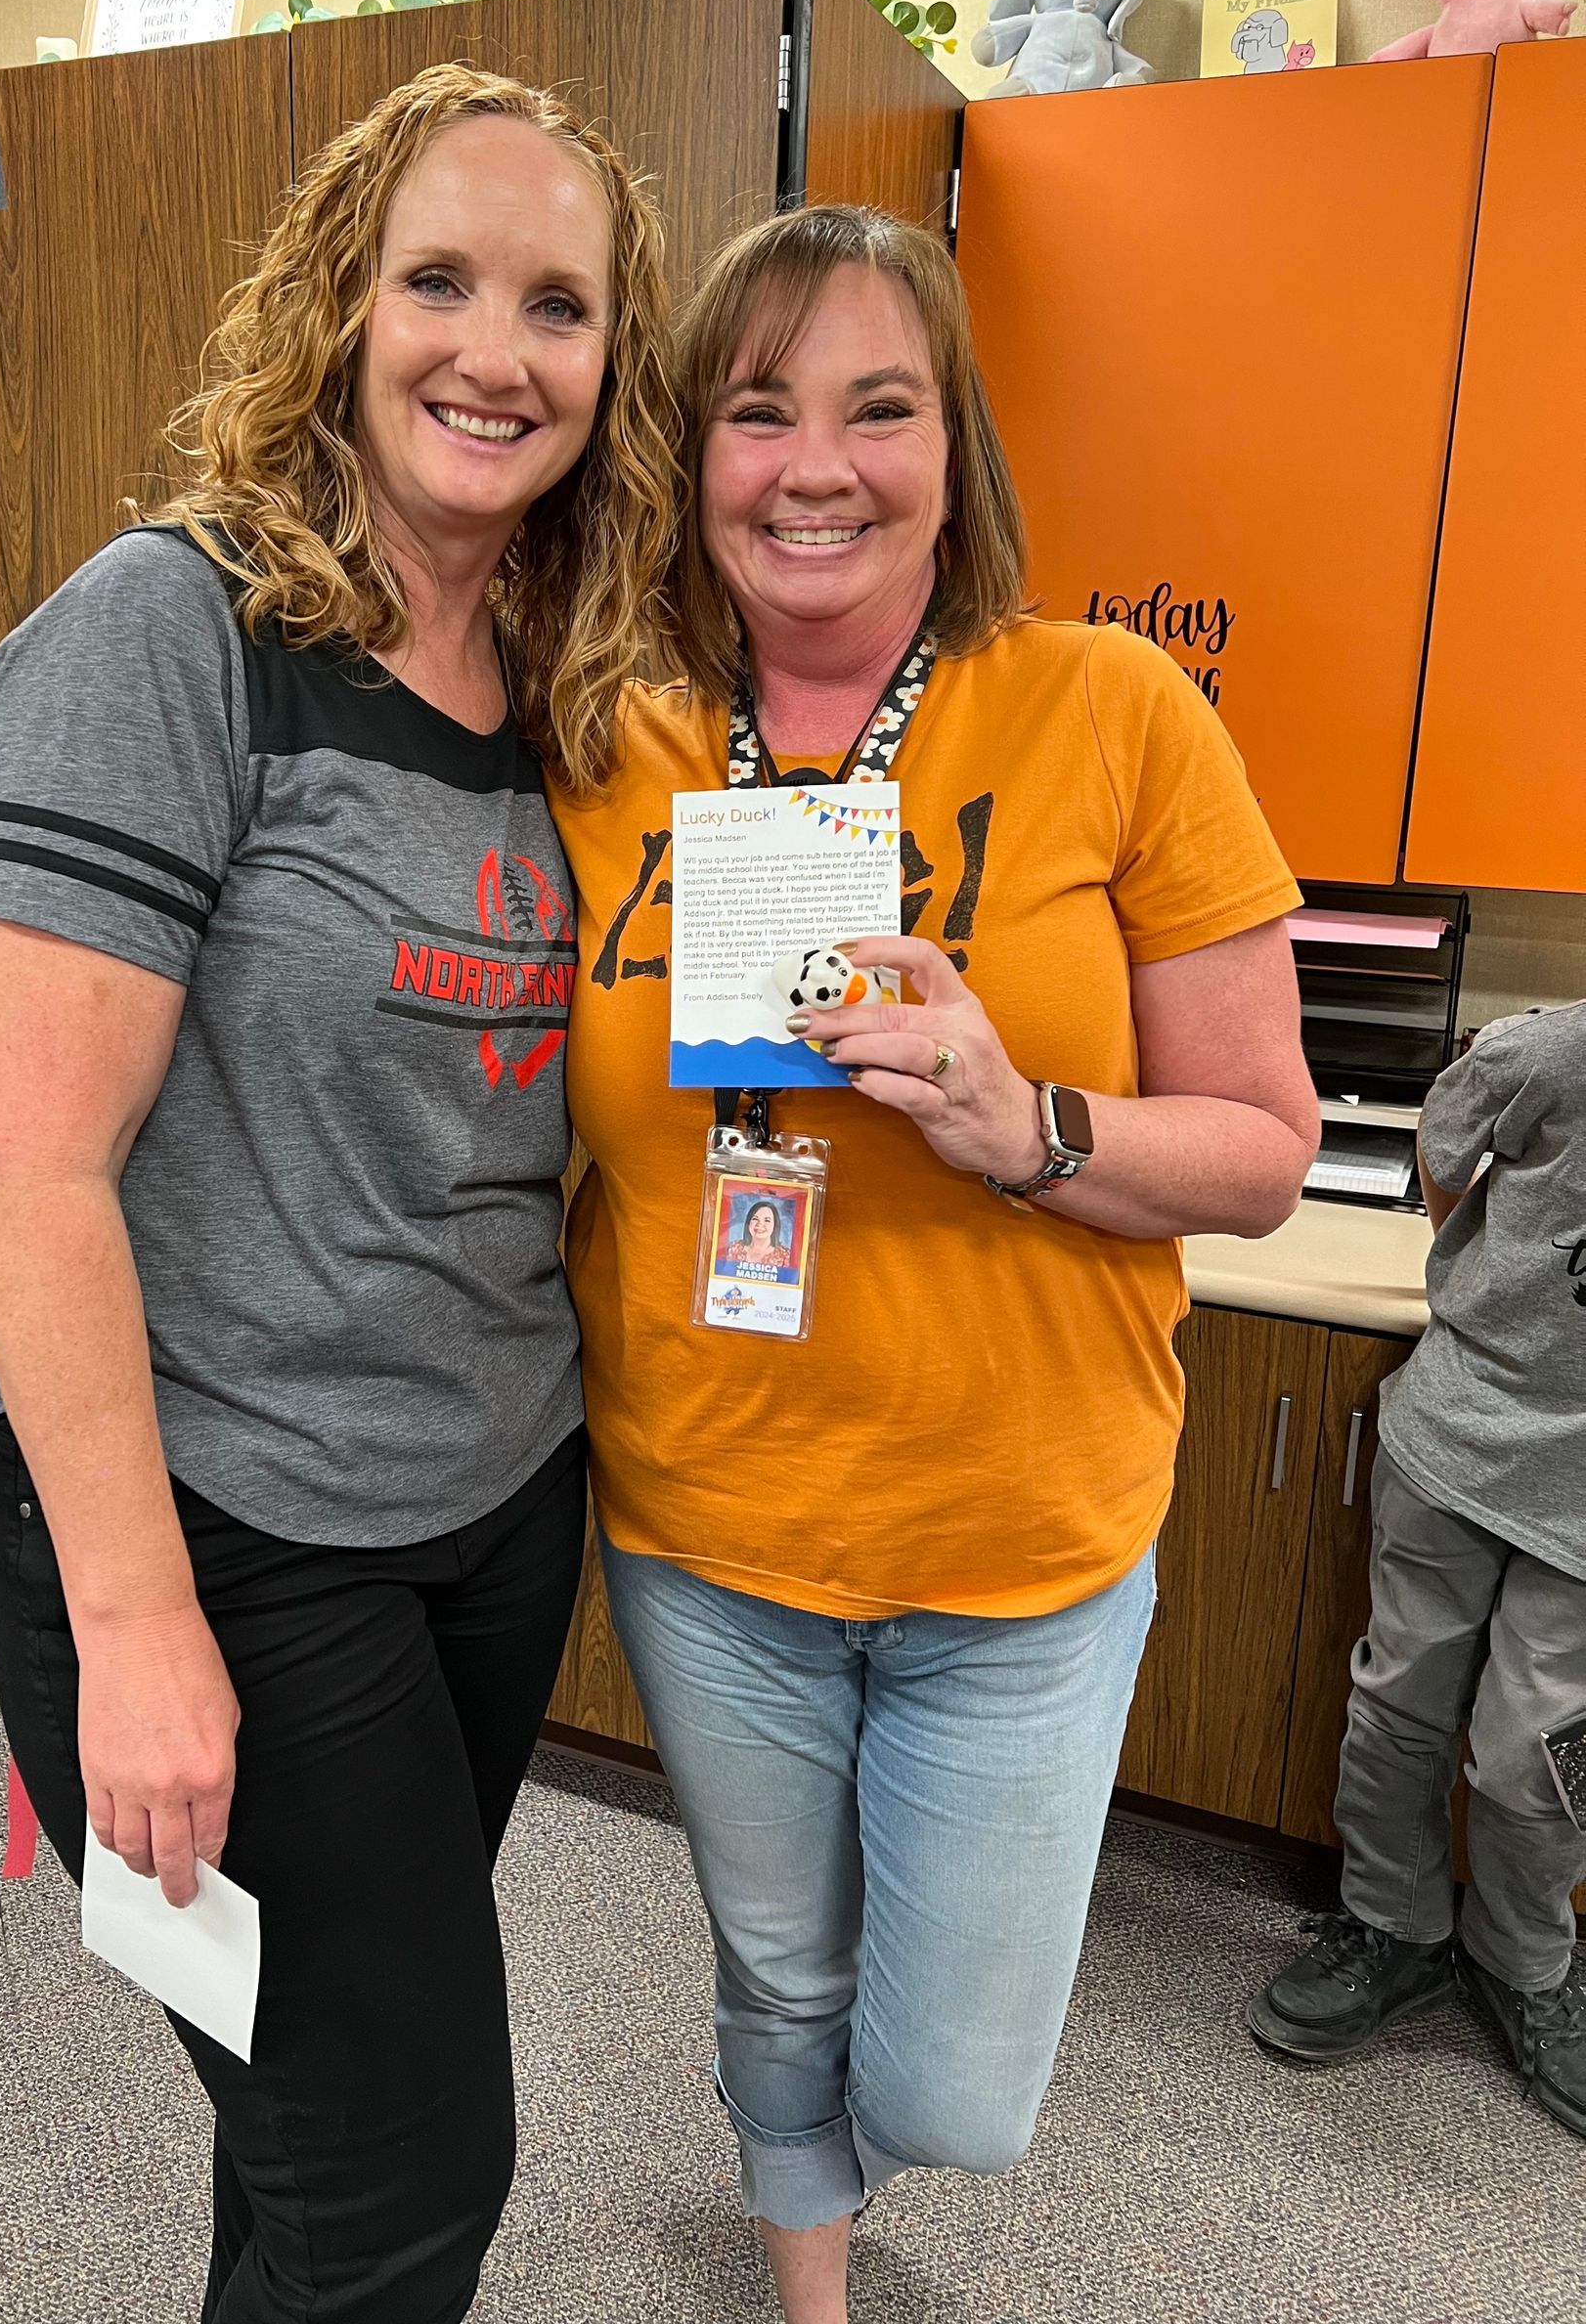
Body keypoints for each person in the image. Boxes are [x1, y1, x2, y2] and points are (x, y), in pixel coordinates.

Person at [0, 64, 677, 2323]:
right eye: (437, 277)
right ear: (338, 306)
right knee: (409, 2173)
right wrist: (139, 1626)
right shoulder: (172, 634)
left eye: (557, 302)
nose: (495, 345)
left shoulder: (566, 689)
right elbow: (32, 1157)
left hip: (482, 1511)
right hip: (218, 1531)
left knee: (307, 2123)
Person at [551, 203, 1317, 2324]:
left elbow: (1265, 1152)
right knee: (775, 1960)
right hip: (713, 1526)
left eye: (880, 405)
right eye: (757, 406)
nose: (817, 463)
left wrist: (1032, 1126)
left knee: (952, 2084)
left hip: (1025, 1542)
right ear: (684, 452)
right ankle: (812, 2287)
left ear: (955, 448)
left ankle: (858, 2149)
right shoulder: (605, 737)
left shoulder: (1110, 710)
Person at [1250, 1002, 1586, 2138]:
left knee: (1539, 1754)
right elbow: (1444, 1152)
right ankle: (1390, 1927)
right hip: (1463, 1436)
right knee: (1400, 1699)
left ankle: (1526, 1962)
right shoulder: (1545, 1049)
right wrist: (1482, 1284)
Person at [732, 1198, 790, 1272]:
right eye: (755, 1219)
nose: (760, 1224)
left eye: (767, 1220)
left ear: (775, 1225)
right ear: (748, 1222)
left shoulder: (786, 1256)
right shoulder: (734, 1249)